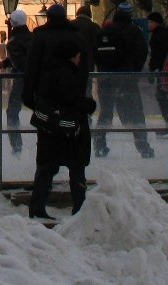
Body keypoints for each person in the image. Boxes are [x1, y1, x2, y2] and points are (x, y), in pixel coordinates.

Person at [27, 36, 95, 220]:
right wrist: (89, 105)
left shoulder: (49, 70)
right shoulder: (66, 73)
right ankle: (79, 209)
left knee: (46, 167)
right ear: (70, 56)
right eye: (77, 56)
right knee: (76, 167)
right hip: (66, 129)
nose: (79, 60)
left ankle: (37, 206)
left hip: (49, 126)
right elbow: (71, 98)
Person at [92, 3, 154, 159]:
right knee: (136, 114)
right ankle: (143, 147)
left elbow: (96, 53)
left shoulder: (105, 30)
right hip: (126, 80)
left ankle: (99, 145)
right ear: (130, 14)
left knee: (105, 113)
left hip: (105, 79)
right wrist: (134, 72)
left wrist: (104, 70)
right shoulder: (134, 31)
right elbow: (142, 52)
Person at [0, 9, 32, 156]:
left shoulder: (12, 42)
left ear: (13, 24)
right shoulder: (34, 38)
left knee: (12, 112)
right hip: (39, 79)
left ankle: (16, 146)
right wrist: (6, 63)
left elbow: (20, 62)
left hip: (22, 81)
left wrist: (7, 63)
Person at [146, 12, 168, 132]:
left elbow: (156, 56)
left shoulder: (157, 36)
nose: (148, 25)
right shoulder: (164, 33)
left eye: (150, 22)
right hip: (167, 70)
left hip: (163, 71)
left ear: (156, 23)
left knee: (162, 96)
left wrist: (152, 69)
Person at [71, 4, 101, 77]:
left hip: (72, 62)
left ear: (77, 14)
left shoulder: (70, 25)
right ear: (89, 15)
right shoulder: (94, 27)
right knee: (87, 84)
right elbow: (98, 45)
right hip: (88, 62)